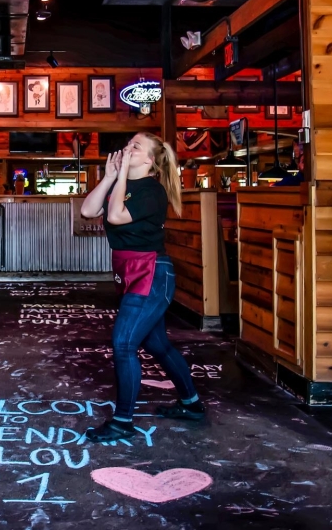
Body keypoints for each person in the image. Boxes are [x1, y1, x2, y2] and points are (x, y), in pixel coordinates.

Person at [79, 132, 205, 442]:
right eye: (128, 143)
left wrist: (120, 175)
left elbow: (116, 215)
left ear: (149, 160)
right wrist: (109, 177)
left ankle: (122, 422)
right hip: (130, 271)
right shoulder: (122, 184)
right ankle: (192, 404)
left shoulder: (152, 191)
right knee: (157, 345)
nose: (127, 148)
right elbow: (87, 211)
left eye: (136, 146)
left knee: (123, 344)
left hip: (151, 273)